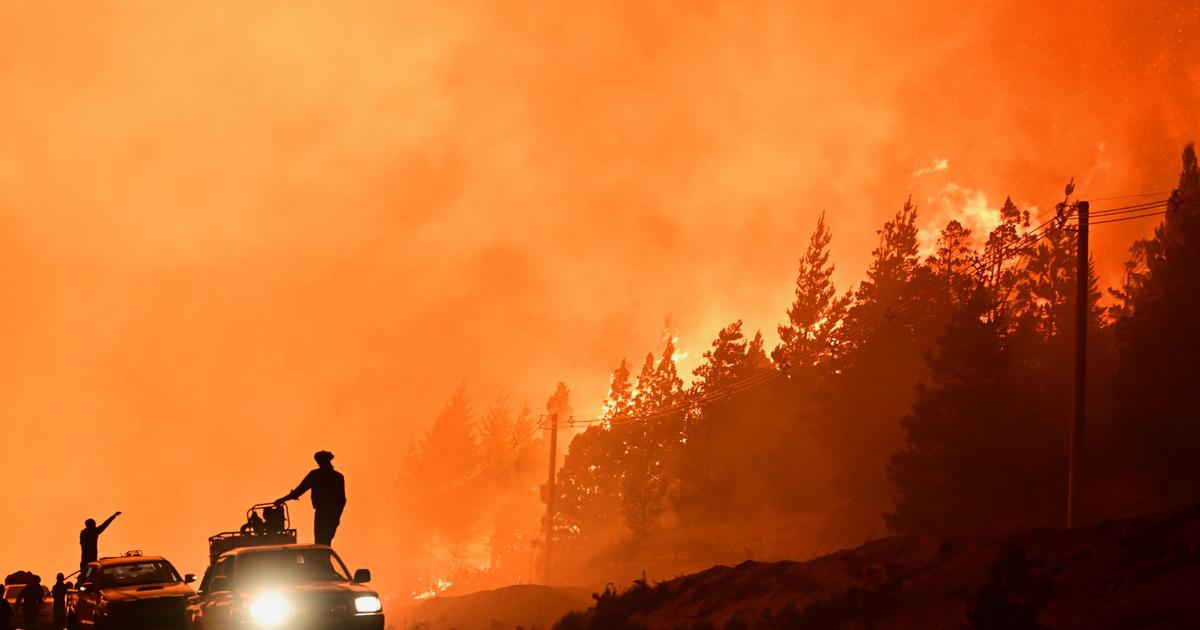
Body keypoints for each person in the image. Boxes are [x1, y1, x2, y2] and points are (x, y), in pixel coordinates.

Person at [275, 450, 346, 546]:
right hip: (331, 514)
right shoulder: (337, 476)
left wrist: (282, 500)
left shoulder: (316, 475)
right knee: (325, 541)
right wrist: (336, 517)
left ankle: (322, 555)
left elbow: (299, 491)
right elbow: (342, 500)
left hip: (325, 514)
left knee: (321, 541)